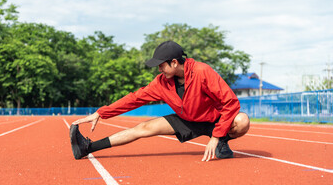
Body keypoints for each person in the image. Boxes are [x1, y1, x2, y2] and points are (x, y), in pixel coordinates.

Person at [70, 41, 250, 162]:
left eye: (161, 64)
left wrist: (217, 136)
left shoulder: (202, 72)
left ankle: (222, 142)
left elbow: (231, 103)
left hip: (214, 121)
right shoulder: (161, 83)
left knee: (242, 121)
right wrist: (101, 113)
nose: (158, 69)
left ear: (173, 62)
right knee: (143, 128)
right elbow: (134, 99)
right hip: (187, 120)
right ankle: (88, 147)